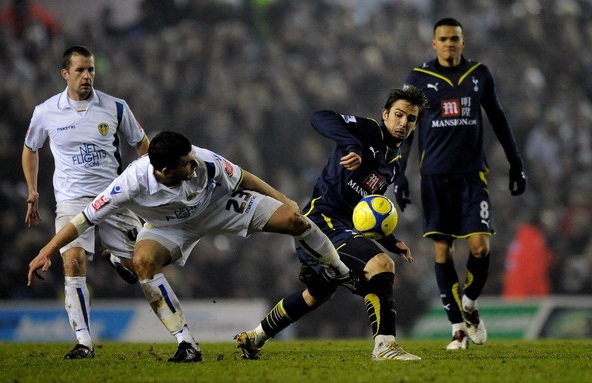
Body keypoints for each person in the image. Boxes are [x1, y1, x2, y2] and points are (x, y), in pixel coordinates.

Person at [27, 130, 353, 363]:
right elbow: (83, 220)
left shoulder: (204, 160)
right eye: (186, 164)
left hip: (216, 207)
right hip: (170, 226)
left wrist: (283, 199)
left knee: (295, 221)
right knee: (142, 264)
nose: (193, 165)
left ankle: (337, 268)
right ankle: (186, 344)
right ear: (166, 170)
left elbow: (243, 178)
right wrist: (45, 252)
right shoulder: (129, 184)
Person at [235, 87, 427, 361]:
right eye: (398, 115)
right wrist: (352, 145)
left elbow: (367, 209)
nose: (403, 123)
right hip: (321, 221)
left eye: (411, 119)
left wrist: (390, 239)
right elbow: (320, 117)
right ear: (385, 114)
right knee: (381, 266)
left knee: (317, 295)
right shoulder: (367, 131)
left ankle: (255, 338)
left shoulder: (394, 163)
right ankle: (385, 346)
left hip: (343, 228)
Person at [397, 17, 527, 350]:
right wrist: (399, 174)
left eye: (455, 38)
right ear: (434, 44)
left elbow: (498, 118)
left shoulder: (478, 75)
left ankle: (469, 304)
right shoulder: (419, 78)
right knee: (443, 251)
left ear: (463, 42)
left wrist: (516, 163)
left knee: (480, 246)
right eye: (443, 39)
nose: (449, 43)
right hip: (435, 177)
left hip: (472, 176)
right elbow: (407, 127)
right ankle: (457, 330)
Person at [22, 45, 150, 359]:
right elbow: (30, 148)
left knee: (143, 267)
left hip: (112, 198)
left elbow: (142, 145)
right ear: (65, 74)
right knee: (72, 261)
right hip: (71, 201)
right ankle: (84, 343)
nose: (87, 76)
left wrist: (145, 185)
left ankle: (115, 256)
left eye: (91, 69)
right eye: (80, 70)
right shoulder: (46, 111)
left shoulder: (116, 107)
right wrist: (32, 191)